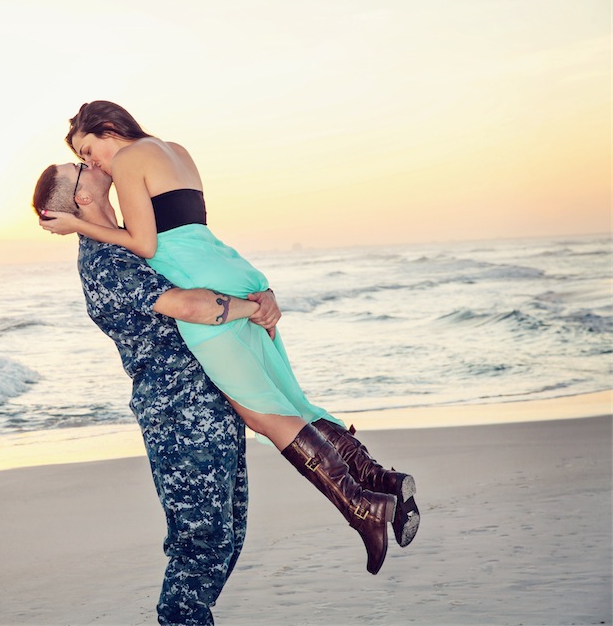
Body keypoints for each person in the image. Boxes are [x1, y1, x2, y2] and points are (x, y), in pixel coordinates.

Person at [40, 102, 419, 575]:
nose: (93, 163)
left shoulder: (130, 159)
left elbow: (147, 246)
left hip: (205, 290)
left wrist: (78, 225)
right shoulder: (173, 150)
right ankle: (380, 479)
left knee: (264, 412)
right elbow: (185, 226)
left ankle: (365, 508)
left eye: (88, 150)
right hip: (228, 268)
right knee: (283, 397)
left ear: (110, 130)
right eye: (83, 159)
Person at [33, 161, 275, 625]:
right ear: (82, 197)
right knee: (200, 543)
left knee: (226, 536)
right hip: (178, 411)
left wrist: (262, 295)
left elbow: (205, 269)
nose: (94, 162)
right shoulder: (104, 262)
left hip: (209, 400)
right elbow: (189, 305)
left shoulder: (134, 238)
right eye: (81, 166)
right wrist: (254, 309)